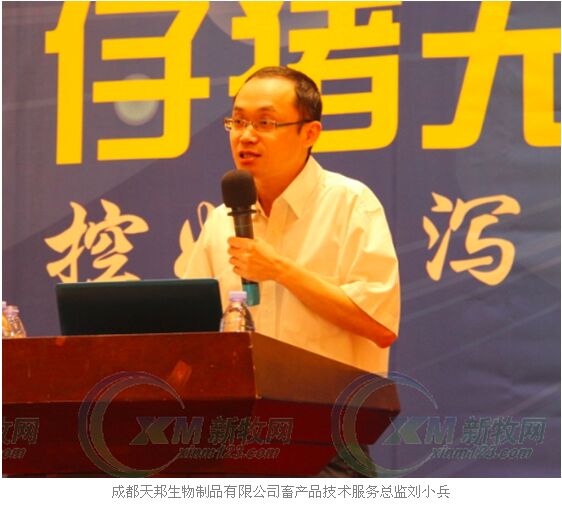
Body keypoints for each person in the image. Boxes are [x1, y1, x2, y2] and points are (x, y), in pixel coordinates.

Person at [184, 66, 400, 475]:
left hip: (329, 441)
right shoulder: (220, 221)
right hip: (237, 440)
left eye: (265, 123)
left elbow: (379, 325)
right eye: (238, 122)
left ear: (310, 133)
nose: (246, 136)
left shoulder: (351, 204)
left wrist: (280, 269)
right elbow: (192, 334)